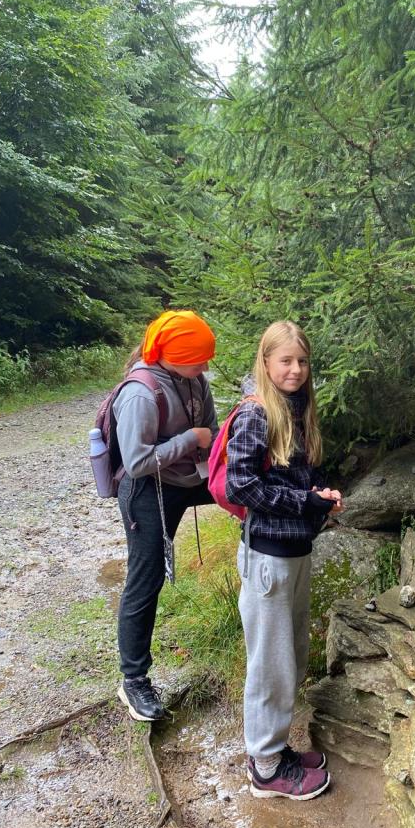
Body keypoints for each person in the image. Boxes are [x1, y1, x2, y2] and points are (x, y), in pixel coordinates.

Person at [226, 320, 342, 801]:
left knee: (288, 657)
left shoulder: (296, 409)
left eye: (302, 361)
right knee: (270, 666)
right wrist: (304, 502)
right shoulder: (256, 414)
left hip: (294, 552)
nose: (295, 369)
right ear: (266, 362)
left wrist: (319, 496)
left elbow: (290, 479)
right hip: (267, 559)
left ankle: (274, 749)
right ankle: (267, 769)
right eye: (285, 361)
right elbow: (240, 485)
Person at [114, 310, 219, 721]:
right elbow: (137, 462)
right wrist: (189, 439)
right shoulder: (140, 394)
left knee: (247, 494)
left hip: (190, 477)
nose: (205, 367)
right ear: (172, 356)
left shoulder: (194, 379)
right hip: (147, 489)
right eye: (198, 360)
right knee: (147, 579)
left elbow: (211, 430)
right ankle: (133, 680)